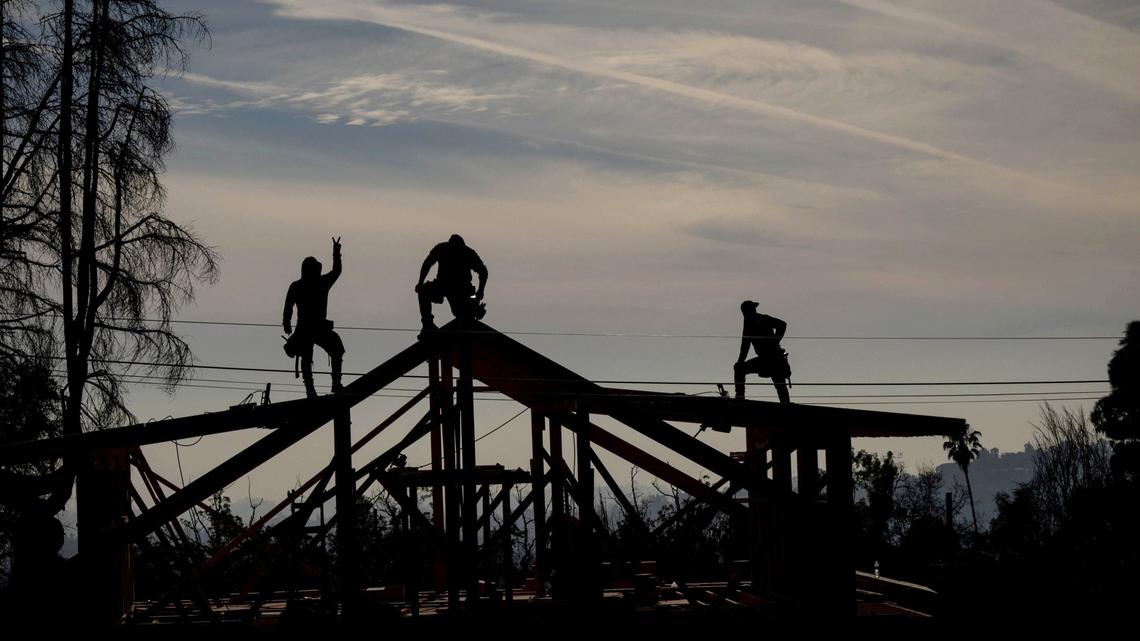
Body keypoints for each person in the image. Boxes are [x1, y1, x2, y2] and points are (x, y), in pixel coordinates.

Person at [283, 238, 345, 397]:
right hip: (309, 328)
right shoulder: (318, 283)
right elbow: (288, 306)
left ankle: (329, 385)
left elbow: (288, 306)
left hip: (311, 327)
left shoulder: (305, 284)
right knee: (309, 355)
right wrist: (336, 253)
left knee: (333, 348)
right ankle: (320, 386)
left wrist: (287, 323)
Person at [416, 234, 488, 331]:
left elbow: (483, 271)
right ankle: (428, 324)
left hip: (462, 289)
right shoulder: (443, 248)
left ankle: (471, 311)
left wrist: (480, 291)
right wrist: (420, 283)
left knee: (463, 312)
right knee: (424, 291)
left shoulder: (468, 253)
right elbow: (427, 264)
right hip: (443, 285)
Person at [733, 301, 791, 403]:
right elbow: (745, 346)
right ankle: (740, 398)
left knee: (780, 385)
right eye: (753, 309)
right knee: (739, 369)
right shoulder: (748, 324)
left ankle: (786, 406)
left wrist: (775, 340)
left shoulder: (763, 319)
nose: (755, 311)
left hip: (775, 358)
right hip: (765, 359)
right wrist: (740, 362)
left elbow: (782, 325)